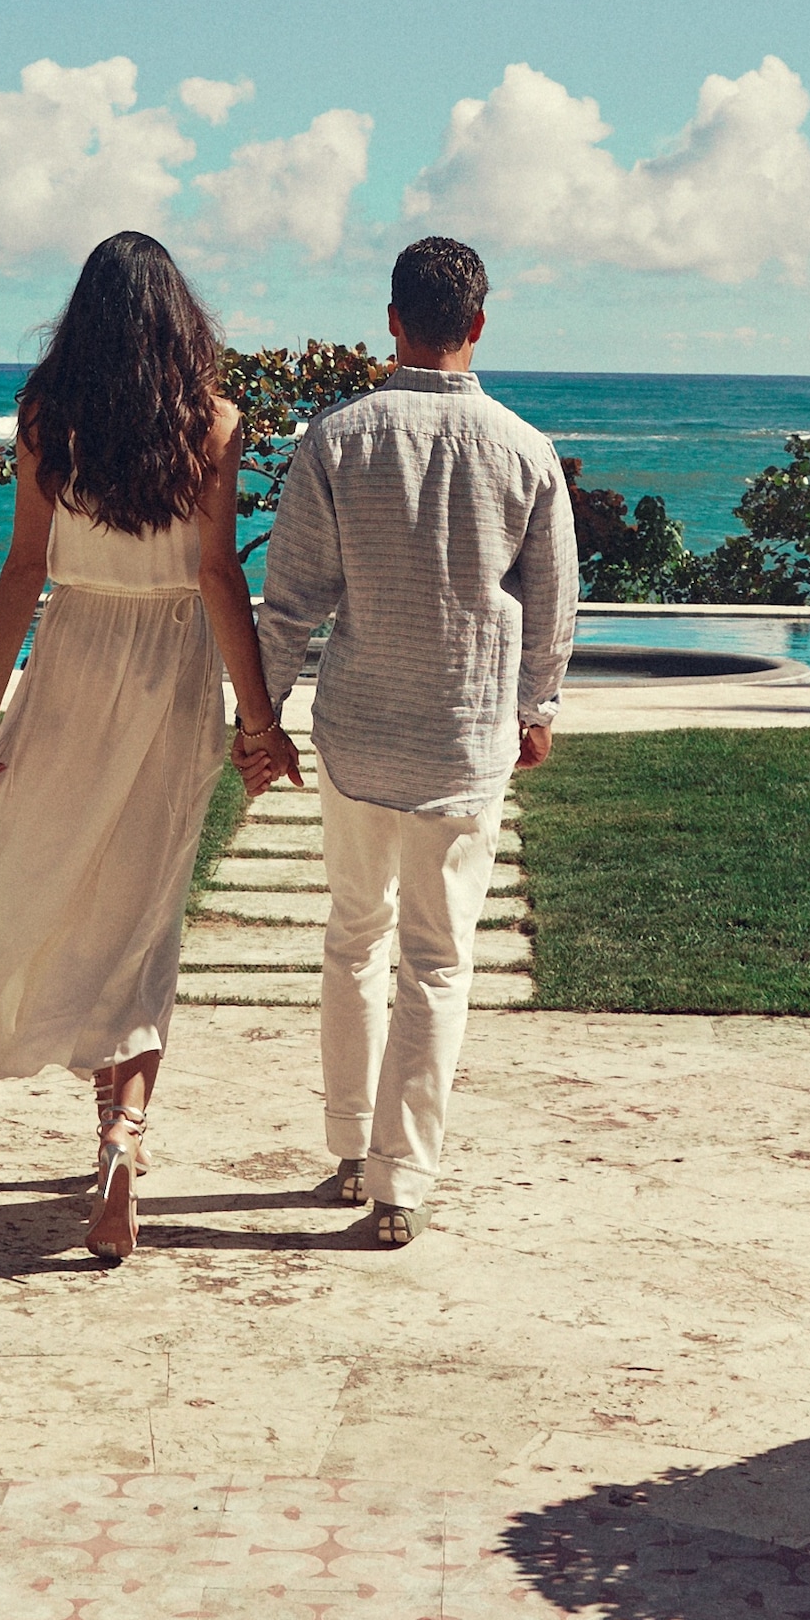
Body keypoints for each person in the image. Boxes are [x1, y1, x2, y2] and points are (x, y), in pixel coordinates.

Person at [0, 233, 295, 1265]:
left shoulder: (45, 418)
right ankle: (122, 1133)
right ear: (176, 319)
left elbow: (21, 569)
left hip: (70, 656)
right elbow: (215, 578)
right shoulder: (213, 423)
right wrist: (257, 715)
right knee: (143, 908)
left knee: (57, 883)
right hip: (169, 665)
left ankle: (102, 1112)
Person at [250, 234, 573, 1248]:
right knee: (436, 961)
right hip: (462, 738)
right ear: (477, 324)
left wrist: (259, 721)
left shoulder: (335, 439)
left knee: (352, 937)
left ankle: (348, 1145)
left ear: (390, 320)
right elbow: (553, 600)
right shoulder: (524, 449)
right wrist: (536, 709)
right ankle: (400, 1183)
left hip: (355, 732)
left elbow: (290, 603)